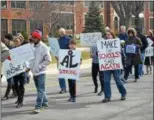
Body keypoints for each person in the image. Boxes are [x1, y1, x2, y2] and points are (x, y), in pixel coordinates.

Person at [26, 31, 51, 113]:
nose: (32, 38)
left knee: (40, 90)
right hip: (34, 72)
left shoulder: (44, 47)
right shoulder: (32, 46)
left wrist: (39, 67)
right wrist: (29, 68)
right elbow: (31, 59)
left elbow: (48, 60)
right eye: (32, 37)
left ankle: (38, 107)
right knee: (40, 90)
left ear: (38, 38)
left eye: (34, 37)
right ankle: (45, 103)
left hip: (41, 72)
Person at [101, 30, 127, 103]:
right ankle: (107, 97)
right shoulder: (102, 44)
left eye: (109, 34)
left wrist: (123, 64)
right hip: (106, 66)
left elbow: (122, 54)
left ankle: (123, 93)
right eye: (107, 35)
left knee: (118, 80)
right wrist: (98, 53)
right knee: (106, 81)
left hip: (116, 65)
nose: (108, 36)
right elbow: (100, 55)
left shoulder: (117, 43)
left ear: (112, 35)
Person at [13, 35, 27, 108]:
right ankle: (19, 98)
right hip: (15, 71)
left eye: (17, 41)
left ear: (20, 42)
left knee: (21, 86)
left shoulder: (23, 50)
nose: (16, 43)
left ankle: (20, 101)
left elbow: (27, 59)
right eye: (15, 41)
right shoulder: (12, 50)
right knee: (15, 86)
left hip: (22, 70)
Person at [2, 34, 16, 100]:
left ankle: (6, 95)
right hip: (6, 65)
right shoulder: (7, 45)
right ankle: (15, 92)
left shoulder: (12, 46)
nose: (4, 40)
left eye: (5, 38)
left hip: (11, 65)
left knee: (10, 80)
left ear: (8, 39)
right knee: (10, 80)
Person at [57, 28, 71, 94]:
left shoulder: (68, 39)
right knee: (61, 75)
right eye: (60, 32)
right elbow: (56, 50)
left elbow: (72, 49)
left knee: (69, 75)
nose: (61, 33)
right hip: (60, 60)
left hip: (67, 59)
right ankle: (63, 88)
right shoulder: (58, 40)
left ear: (65, 32)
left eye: (62, 32)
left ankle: (71, 88)